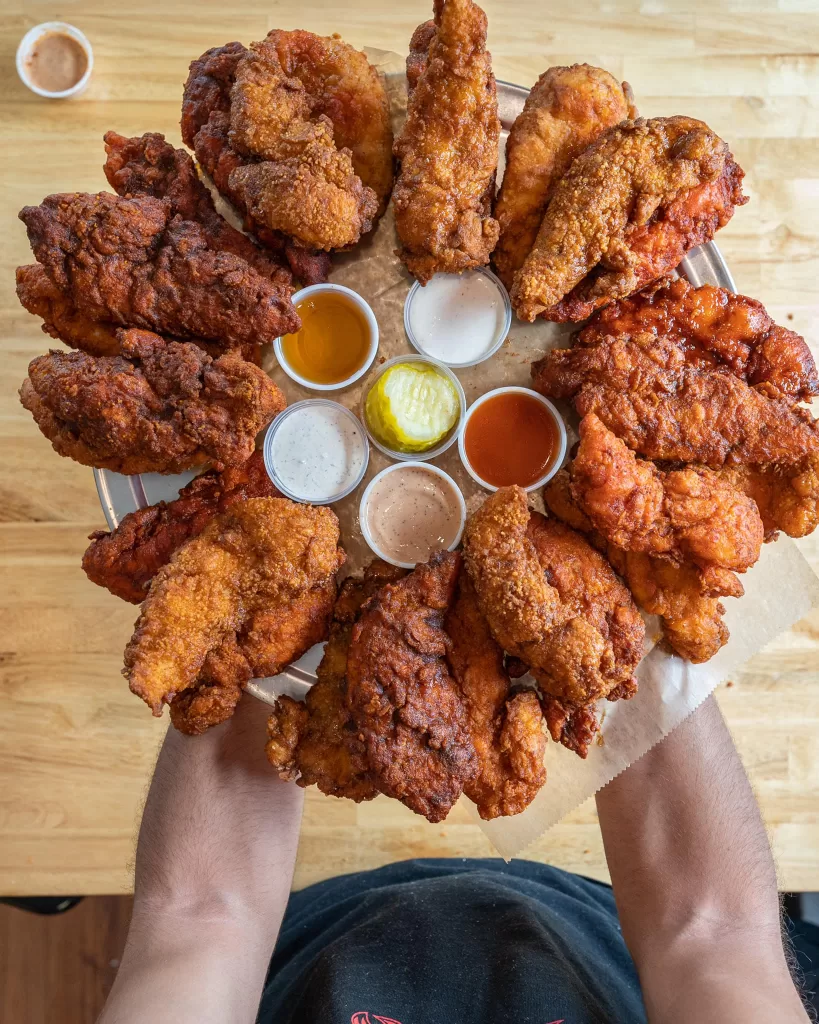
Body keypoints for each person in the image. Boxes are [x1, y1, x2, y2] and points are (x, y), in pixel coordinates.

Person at [97, 695, 811, 1023]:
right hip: (603, 927)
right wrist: (624, 611)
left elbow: (201, 915)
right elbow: (708, 932)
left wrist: (256, 640)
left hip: (300, 931)